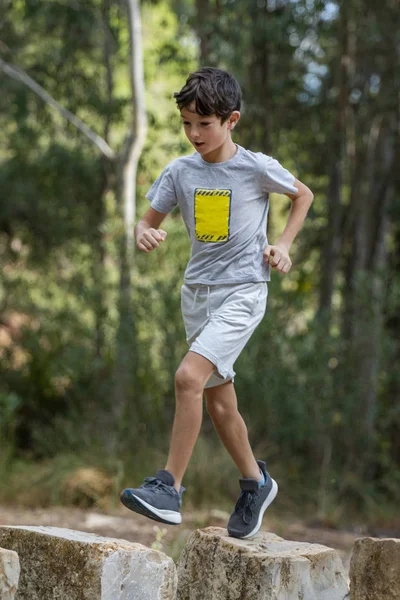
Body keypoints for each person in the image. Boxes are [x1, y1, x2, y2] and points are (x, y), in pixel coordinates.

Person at [120, 67, 313, 539]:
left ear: (232, 121)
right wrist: (145, 233)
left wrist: (284, 245)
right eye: (187, 123)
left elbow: (302, 194)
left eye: (204, 124)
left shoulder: (254, 167)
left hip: (244, 291)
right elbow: (145, 222)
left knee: (187, 377)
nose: (194, 134)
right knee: (221, 407)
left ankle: (169, 487)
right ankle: (255, 482)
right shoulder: (179, 171)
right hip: (198, 296)